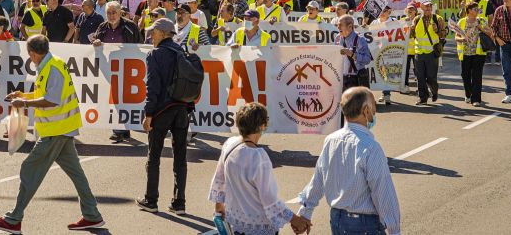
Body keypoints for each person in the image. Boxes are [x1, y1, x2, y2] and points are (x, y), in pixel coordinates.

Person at [0, 35, 106, 233]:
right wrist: (23, 95)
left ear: (32, 53)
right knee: (76, 173)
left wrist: (24, 103)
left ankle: (13, 219)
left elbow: (52, 100)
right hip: (60, 128)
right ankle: (92, 215)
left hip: (56, 130)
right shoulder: (50, 64)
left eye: (29, 54)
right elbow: (46, 93)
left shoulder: (52, 67)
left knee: (29, 169)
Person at [297, 87, 401, 235]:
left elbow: (318, 179)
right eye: (374, 107)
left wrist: (305, 212)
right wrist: (394, 230)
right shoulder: (371, 147)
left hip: (337, 220)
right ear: (366, 110)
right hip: (365, 224)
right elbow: (383, 193)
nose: (374, 112)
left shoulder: (331, 140)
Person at [209, 102, 312, 235]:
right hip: (258, 225)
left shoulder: (230, 143)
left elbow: (219, 178)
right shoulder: (258, 156)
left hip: (236, 222)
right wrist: (295, 219)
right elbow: (269, 199)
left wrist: (219, 204)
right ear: (262, 126)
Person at [137, 18, 194, 215]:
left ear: (162, 33)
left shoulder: (155, 54)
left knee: (154, 156)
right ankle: (179, 203)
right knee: (180, 157)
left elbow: (152, 87)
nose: (151, 36)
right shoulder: (182, 51)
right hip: (182, 109)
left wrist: (148, 114)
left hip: (161, 111)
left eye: (153, 32)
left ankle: (151, 200)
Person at [90, 1, 142, 143]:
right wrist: (95, 43)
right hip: (109, 69)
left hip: (127, 68)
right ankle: (120, 130)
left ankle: (122, 130)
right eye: (109, 13)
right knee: (114, 99)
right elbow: (95, 43)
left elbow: (139, 45)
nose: (111, 15)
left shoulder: (130, 26)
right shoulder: (102, 27)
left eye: (114, 12)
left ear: (120, 13)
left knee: (124, 99)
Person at [454, 2, 493, 106]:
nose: (477, 11)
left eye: (478, 9)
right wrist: (461, 39)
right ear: (469, 10)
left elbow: (491, 33)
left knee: (477, 76)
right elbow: (456, 37)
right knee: (465, 75)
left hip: (478, 53)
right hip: (465, 53)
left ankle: (476, 99)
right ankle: (468, 94)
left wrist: (481, 28)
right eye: (475, 9)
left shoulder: (481, 20)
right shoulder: (462, 21)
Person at [411, 0, 446, 105]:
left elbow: (444, 34)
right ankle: (423, 98)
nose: (428, 8)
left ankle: (434, 92)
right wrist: (410, 29)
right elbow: (412, 34)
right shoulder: (416, 19)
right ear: (421, 7)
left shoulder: (438, 19)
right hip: (419, 53)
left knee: (431, 77)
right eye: (426, 6)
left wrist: (437, 30)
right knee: (420, 77)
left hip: (432, 53)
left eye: (430, 6)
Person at [336, 15, 373, 90]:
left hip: (357, 79)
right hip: (342, 78)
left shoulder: (360, 39)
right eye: (337, 25)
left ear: (350, 26)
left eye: (340, 25)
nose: (338, 27)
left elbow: (367, 59)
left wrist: (352, 54)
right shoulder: (337, 38)